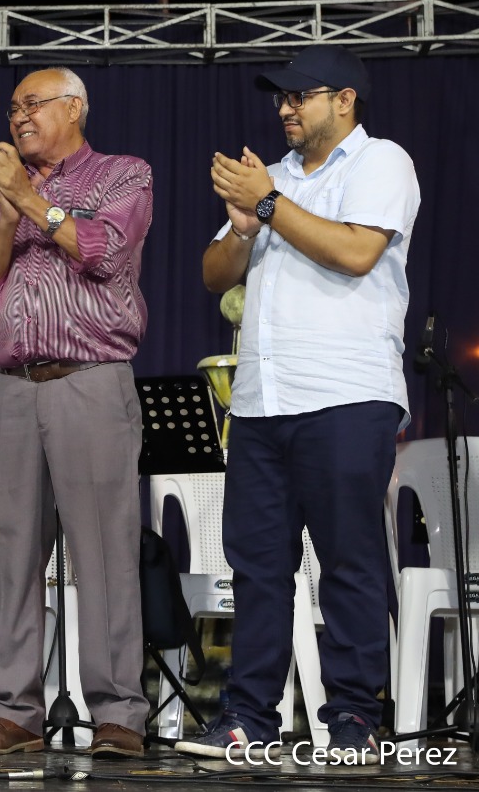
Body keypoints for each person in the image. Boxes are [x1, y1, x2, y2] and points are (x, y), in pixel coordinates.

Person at [175, 46, 419, 763]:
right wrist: (244, 227)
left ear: (344, 100)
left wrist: (268, 206)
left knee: (348, 561)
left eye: (299, 96)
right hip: (260, 402)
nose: (284, 108)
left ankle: (355, 718)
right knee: (256, 569)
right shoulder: (272, 178)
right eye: (280, 97)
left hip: (346, 394)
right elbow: (212, 273)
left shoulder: (380, 162)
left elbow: (355, 253)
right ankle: (248, 718)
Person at [0, 68, 153, 759]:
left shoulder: (122, 174)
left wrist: (31, 200)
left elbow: (104, 251)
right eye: (13, 107)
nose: (19, 117)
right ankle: (15, 710)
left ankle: (118, 711)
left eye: (33, 104)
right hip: (14, 386)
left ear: (74, 108)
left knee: (103, 553)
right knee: (14, 554)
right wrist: (10, 211)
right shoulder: (5, 190)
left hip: (87, 381)